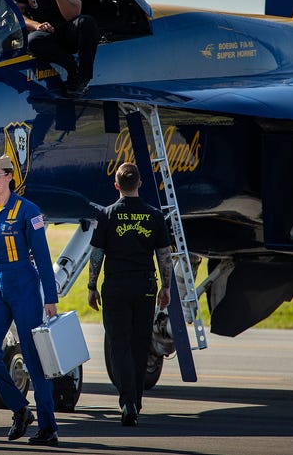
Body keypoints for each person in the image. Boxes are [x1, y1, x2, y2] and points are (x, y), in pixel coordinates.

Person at [0, 154, 60, 446]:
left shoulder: (28, 210)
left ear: (10, 176)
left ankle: (48, 427)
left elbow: (44, 257)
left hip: (23, 284)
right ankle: (20, 410)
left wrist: (50, 296)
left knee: (34, 359)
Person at [87, 162, 172, 426]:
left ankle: (128, 402)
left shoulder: (107, 215)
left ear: (116, 186)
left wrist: (91, 286)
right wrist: (166, 287)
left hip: (115, 287)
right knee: (138, 345)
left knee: (119, 345)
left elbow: (96, 255)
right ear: (139, 184)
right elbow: (164, 256)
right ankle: (136, 400)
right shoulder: (155, 215)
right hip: (145, 287)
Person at [14, 0, 98, 97]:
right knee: (32, 41)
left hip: (66, 31)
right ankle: (73, 68)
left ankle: (83, 78)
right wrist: (37, 25)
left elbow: (72, 15)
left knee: (87, 22)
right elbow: (17, 15)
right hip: (44, 33)